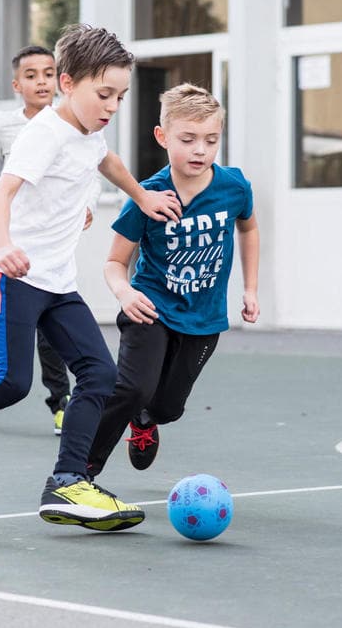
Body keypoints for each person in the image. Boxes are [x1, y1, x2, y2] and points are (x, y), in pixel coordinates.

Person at [0, 24, 183, 530]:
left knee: (100, 376)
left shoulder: (90, 131)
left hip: (57, 283)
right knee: (10, 381)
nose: (112, 105)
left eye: (120, 95)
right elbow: (1, 195)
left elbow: (105, 159)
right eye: (103, 93)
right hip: (12, 276)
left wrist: (143, 195)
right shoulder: (42, 133)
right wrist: (4, 246)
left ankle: (67, 482)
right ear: (69, 84)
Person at [84, 83, 259, 480]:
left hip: (204, 317)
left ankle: (146, 422)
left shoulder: (234, 187)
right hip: (151, 308)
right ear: (163, 137)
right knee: (131, 390)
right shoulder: (147, 195)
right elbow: (115, 262)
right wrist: (125, 292)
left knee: (166, 408)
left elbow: (248, 229)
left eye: (211, 140)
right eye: (189, 139)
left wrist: (250, 288)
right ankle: (80, 469)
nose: (200, 149)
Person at [0, 44, 101, 434]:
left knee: (34, 325)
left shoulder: (78, 123)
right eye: (31, 75)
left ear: (61, 79)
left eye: (48, 73)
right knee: (32, 339)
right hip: (14, 246)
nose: (41, 82)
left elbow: (94, 170)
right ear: (17, 84)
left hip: (54, 248)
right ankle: (60, 402)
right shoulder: (6, 125)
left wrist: (90, 204)